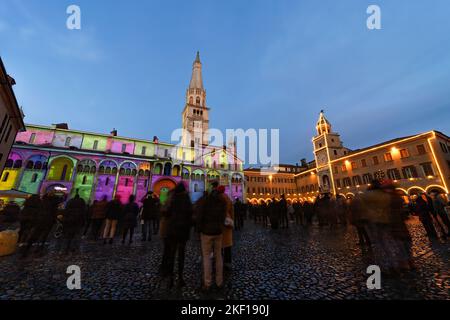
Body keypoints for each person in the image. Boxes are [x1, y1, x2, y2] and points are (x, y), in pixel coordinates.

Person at [159, 182, 193, 288]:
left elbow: (166, 212)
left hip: (172, 230)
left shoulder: (172, 200)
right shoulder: (187, 200)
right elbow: (190, 214)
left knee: (172, 254)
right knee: (181, 254)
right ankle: (181, 277)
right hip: (183, 231)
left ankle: (171, 278)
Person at [196, 181, 227, 291]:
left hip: (206, 232)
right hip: (218, 231)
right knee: (219, 256)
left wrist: (199, 229)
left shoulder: (205, 199)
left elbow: (199, 215)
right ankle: (219, 282)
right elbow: (224, 216)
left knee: (206, 257)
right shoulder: (222, 200)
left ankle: (207, 283)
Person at [222, 187, 234, 270]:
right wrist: (232, 221)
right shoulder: (227, 198)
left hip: (218, 223)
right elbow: (232, 211)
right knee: (227, 245)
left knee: (218, 244)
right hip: (227, 222)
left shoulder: (216, 198)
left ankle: (218, 260)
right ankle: (227, 262)